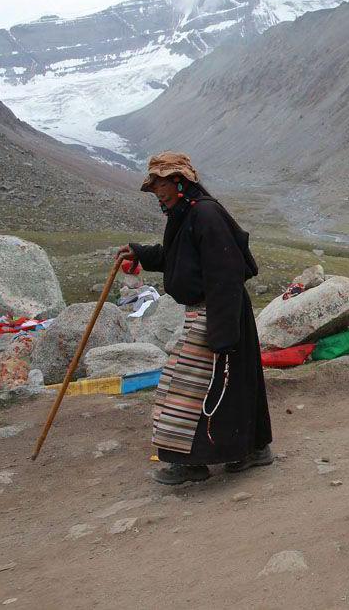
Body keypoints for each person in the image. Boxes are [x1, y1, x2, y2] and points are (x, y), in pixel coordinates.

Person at [117, 152, 273, 485]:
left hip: (220, 310)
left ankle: (200, 460)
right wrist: (141, 253)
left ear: (180, 181)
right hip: (210, 311)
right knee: (207, 384)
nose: (157, 190)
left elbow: (226, 273)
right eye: (154, 184)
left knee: (192, 385)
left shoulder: (206, 215)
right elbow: (178, 257)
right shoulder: (183, 213)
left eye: (162, 182)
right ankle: (238, 452)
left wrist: (223, 331)